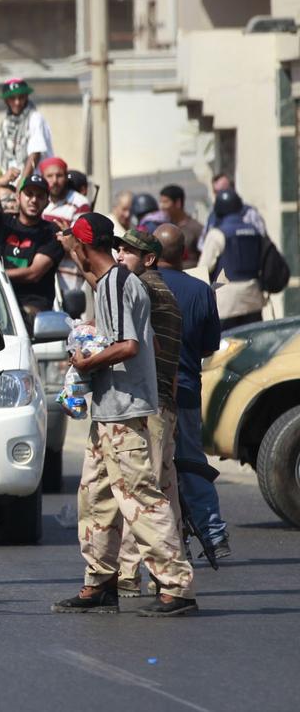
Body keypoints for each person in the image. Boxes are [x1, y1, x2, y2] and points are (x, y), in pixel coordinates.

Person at [53, 213, 196, 616]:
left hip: (124, 409)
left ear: (82, 246)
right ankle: (100, 582)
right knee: (96, 498)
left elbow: (127, 346)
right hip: (109, 411)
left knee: (140, 498)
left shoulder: (116, 284)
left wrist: (86, 362)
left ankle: (176, 585)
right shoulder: (114, 281)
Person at [112, 229, 185, 597]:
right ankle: (166, 573)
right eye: (119, 248)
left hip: (149, 406)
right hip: (163, 405)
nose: (120, 254)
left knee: (138, 492)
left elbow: (141, 347)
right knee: (162, 494)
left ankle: (130, 573)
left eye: (129, 250)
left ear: (150, 258)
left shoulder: (144, 290)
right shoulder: (161, 292)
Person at [153, 223, 231, 559]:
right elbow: (209, 345)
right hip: (186, 389)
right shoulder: (201, 291)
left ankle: (168, 541)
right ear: (185, 254)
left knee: (154, 470)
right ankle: (214, 535)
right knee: (191, 463)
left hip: (151, 393)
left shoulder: (142, 286)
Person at [0, 170, 63, 313]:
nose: (34, 200)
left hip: (31, 305)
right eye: (29, 194)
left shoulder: (51, 231)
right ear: (18, 197)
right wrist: (1, 181)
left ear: (47, 202)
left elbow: (33, 273)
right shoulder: (2, 222)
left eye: (40, 196)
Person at [201, 189, 268, 330]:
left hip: (226, 302)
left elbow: (204, 268)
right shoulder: (254, 231)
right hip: (253, 297)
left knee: (227, 346)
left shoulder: (217, 234)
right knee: (253, 344)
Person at [38, 157, 90, 316]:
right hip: (42, 279)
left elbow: (80, 243)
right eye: (50, 176)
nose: (55, 181)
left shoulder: (79, 203)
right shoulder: (37, 201)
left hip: (69, 280)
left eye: (59, 176)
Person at [0, 78, 53, 179]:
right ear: (6, 100)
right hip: (11, 182)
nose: (17, 102)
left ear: (26, 97)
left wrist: (22, 184)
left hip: (34, 181)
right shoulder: (5, 123)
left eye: (21, 97)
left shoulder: (35, 118)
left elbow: (35, 154)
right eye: (12, 98)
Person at [198, 174, 267, 250]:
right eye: (216, 192)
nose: (219, 195)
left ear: (233, 189)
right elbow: (202, 245)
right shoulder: (213, 217)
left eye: (223, 191)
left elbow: (263, 240)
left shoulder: (249, 214)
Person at [157, 184, 202, 268]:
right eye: (161, 202)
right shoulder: (164, 228)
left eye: (165, 202)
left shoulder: (196, 228)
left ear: (178, 203)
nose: (161, 206)